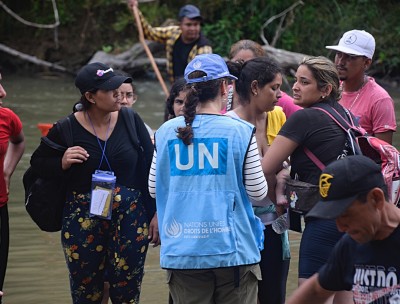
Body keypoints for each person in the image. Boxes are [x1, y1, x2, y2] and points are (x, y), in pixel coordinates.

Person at [30, 62, 159, 303]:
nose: (118, 94)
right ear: (90, 96)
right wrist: (62, 162)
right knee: (86, 291)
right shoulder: (66, 128)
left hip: (130, 219)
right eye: (110, 90)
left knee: (128, 290)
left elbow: (151, 170)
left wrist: (156, 214)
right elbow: (38, 164)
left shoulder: (131, 120)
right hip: (82, 222)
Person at [148, 53, 268, 304]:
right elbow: (258, 192)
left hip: (183, 250)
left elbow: (153, 189)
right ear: (225, 87)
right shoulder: (241, 131)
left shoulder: (166, 131)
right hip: (233, 250)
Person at [262, 56, 355, 303]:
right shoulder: (347, 115)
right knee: (344, 296)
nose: (295, 87)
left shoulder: (304, 118)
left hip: (324, 219)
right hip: (354, 216)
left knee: (312, 297)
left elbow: (265, 167)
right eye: (296, 80)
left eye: (304, 82)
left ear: (326, 90)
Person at [287, 154, 400, 304]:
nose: (340, 228)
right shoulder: (351, 245)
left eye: (346, 215)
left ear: (376, 199)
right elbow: (315, 291)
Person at [226, 57, 290, 304]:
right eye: (273, 88)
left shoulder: (278, 117)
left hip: (276, 222)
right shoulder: (229, 125)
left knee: (275, 295)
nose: (279, 94)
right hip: (241, 227)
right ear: (254, 87)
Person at [326, 29, 396, 144]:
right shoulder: (328, 89)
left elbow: (385, 155)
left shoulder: (380, 100)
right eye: (339, 54)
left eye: (350, 57)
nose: (341, 62)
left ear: (366, 63)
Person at [128, 1, 212, 83]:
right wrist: (135, 11)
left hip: (192, 88)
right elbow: (149, 33)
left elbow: (201, 80)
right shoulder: (174, 33)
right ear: (180, 25)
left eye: (196, 24)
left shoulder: (203, 49)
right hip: (174, 84)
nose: (193, 28)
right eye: (188, 25)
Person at [0, 72, 25, 303]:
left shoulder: (6, 118)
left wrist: (7, 172)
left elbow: (18, 141)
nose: (2, 92)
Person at [228, 39, 301, 117]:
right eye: (238, 63)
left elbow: (304, 117)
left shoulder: (277, 98)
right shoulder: (222, 93)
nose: (242, 69)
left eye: (248, 65)